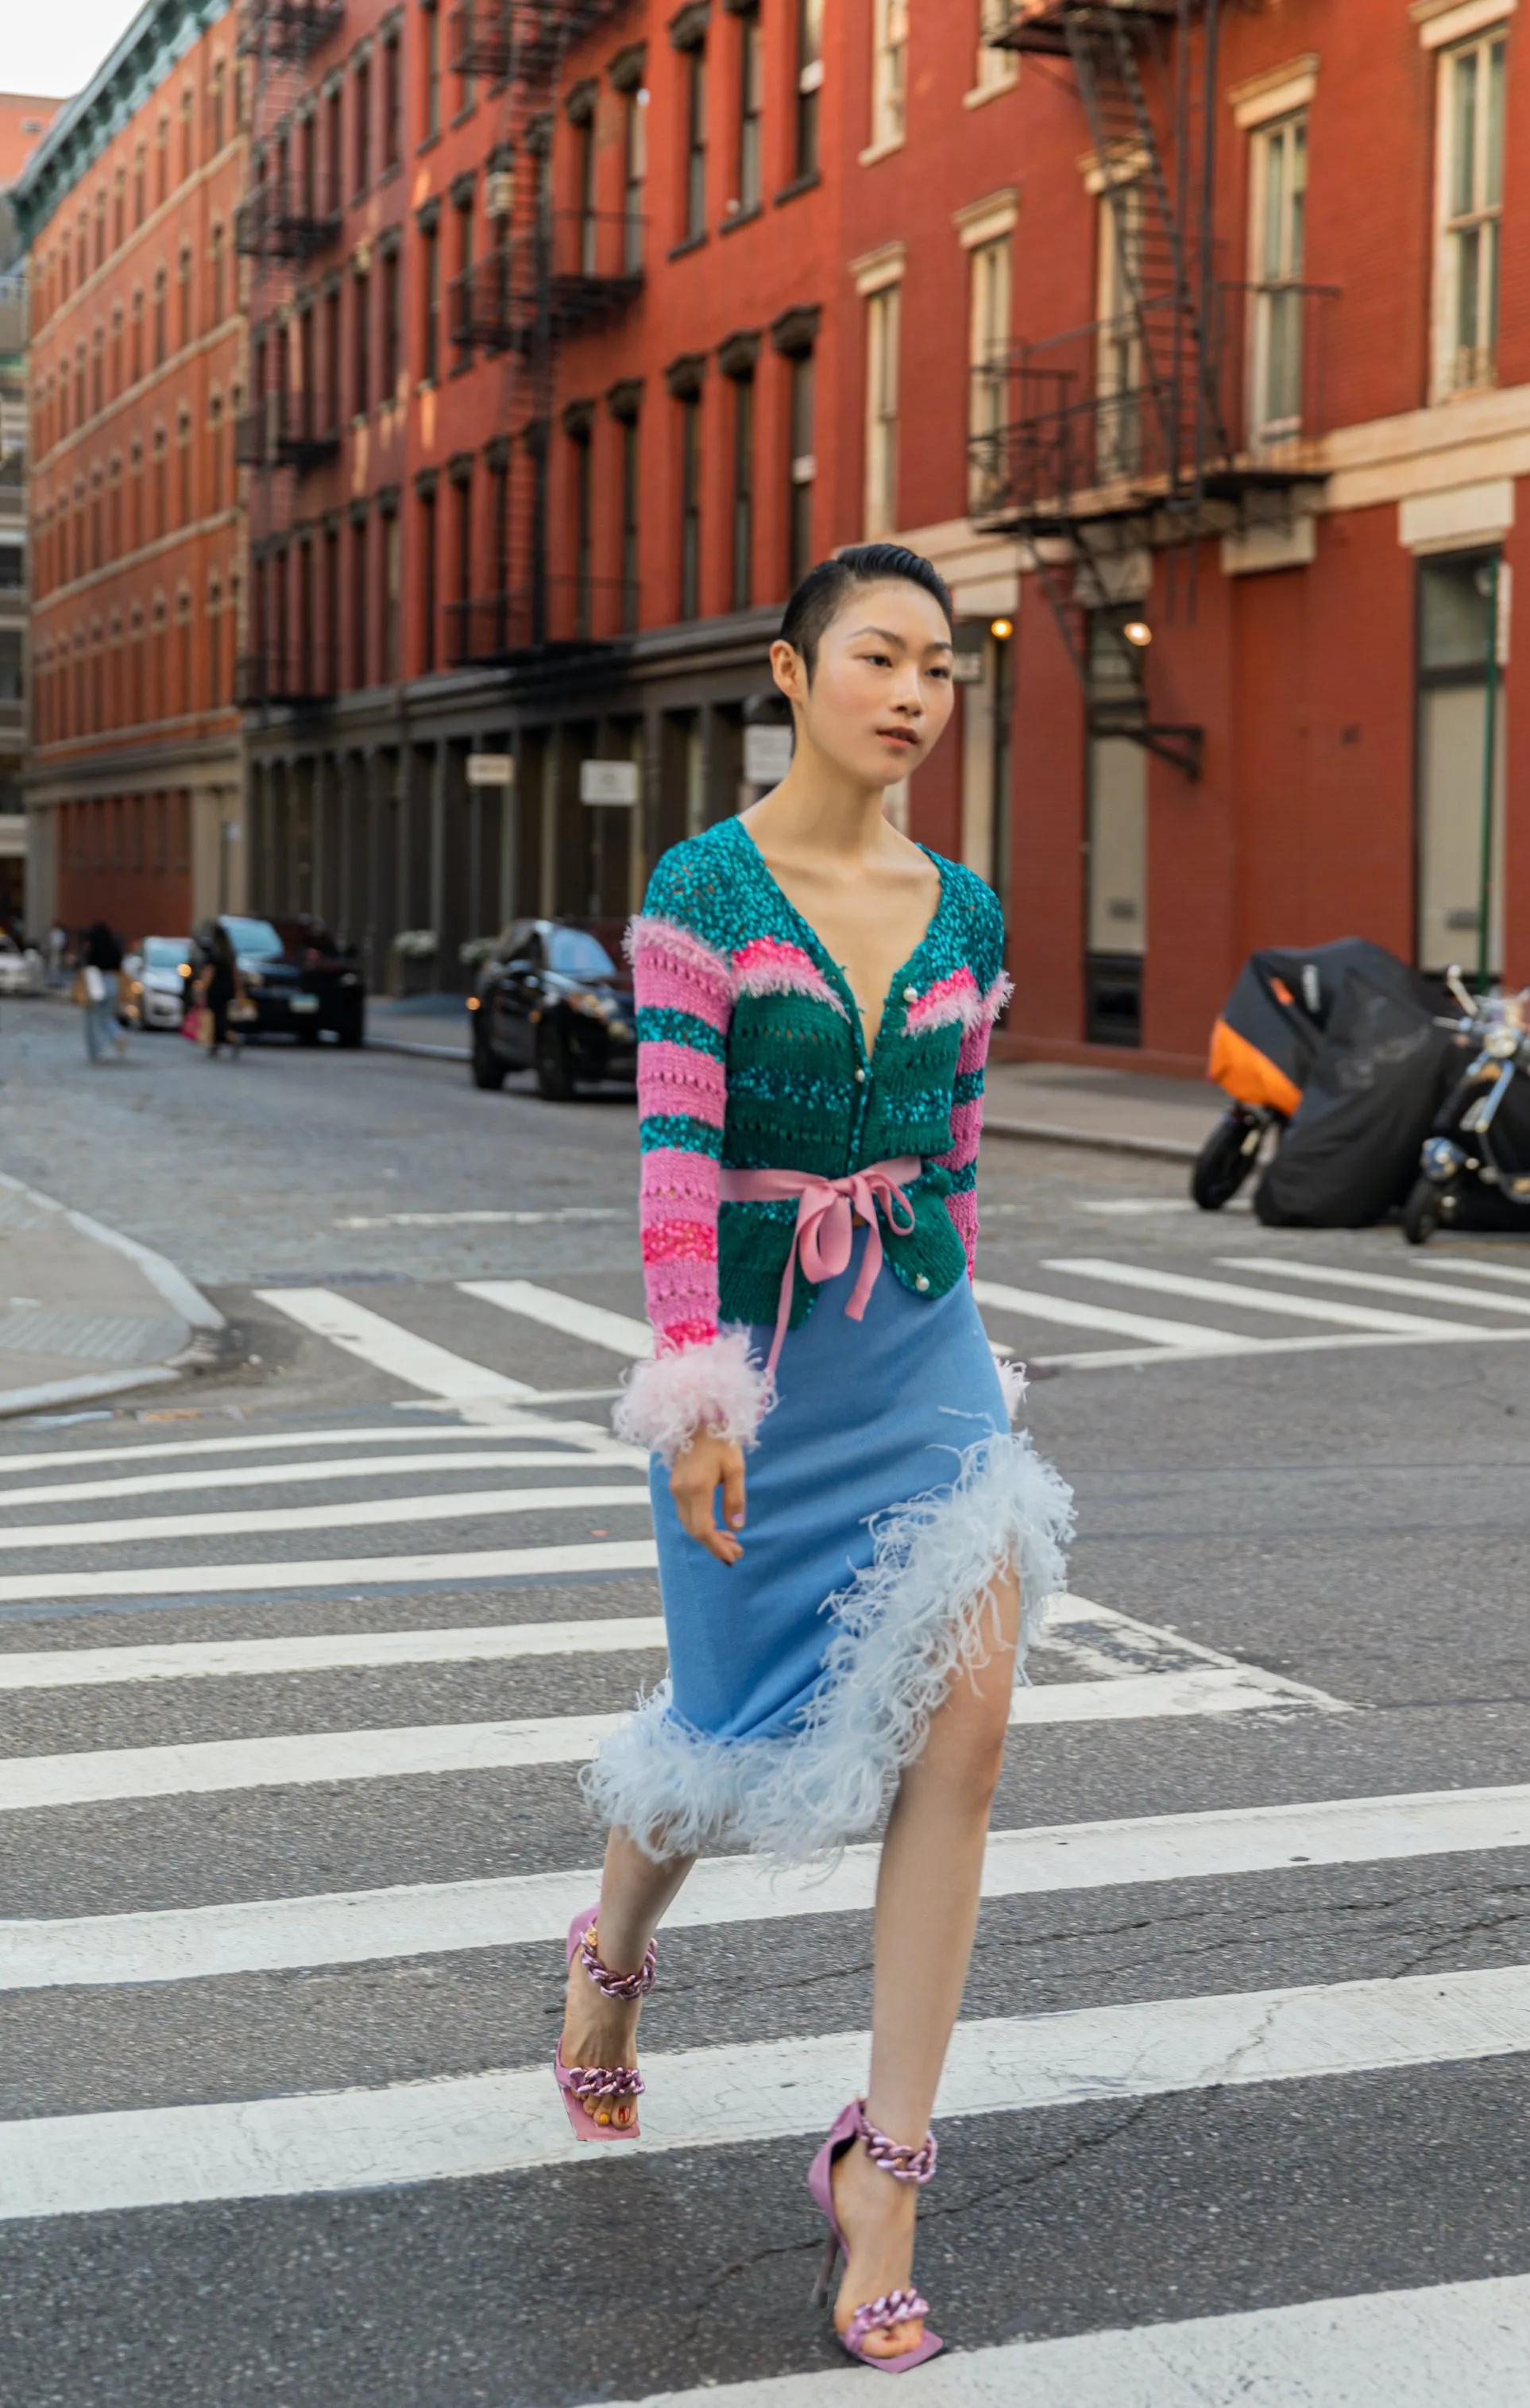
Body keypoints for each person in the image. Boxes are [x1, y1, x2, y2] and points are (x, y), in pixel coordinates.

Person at [557, 545, 1075, 2372]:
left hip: (918, 1348)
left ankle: (887, 2170)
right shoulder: (705, 890)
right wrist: (699, 1398)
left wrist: (975, 1354)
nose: (914, 691)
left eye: (939, 665)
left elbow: (958, 1157)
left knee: (975, 1714)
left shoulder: (971, 911)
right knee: (723, 1736)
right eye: (878, 654)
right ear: (790, 669)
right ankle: (610, 1965)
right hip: (757, 1364)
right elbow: (676, 1161)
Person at [79, 920, 124, 1063]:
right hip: (112, 981)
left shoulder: (92, 948)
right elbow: (119, 964)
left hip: (95, 981)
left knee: (92, 1020)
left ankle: (96, 1052)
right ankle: (116, 1033)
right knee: (107, 1016)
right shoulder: (114, 947)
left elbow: (87, 963)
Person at [199, 922, 241, 1060]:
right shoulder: (230, 952)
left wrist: (202, 988)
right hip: (228, 989)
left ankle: (219, 1042)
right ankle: (228, 1038)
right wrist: (239, 991)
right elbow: (235, 973)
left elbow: (209, 972)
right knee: (224, 1016)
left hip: (215, 990)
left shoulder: (213, 952)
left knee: (215, 1017)